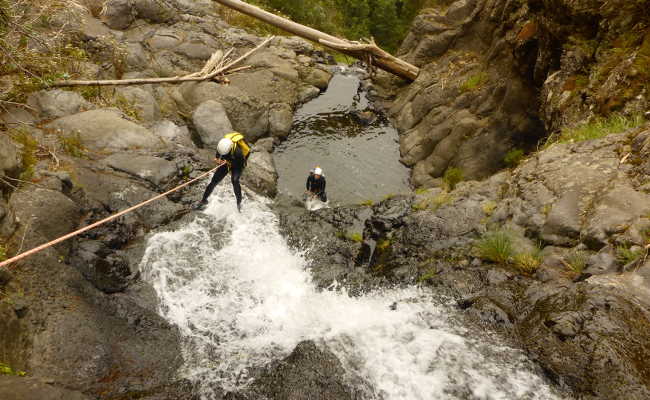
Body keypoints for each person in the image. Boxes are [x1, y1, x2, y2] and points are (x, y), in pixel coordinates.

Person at [196, 132, 251, 212]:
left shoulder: (238, 152)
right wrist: (218, 160)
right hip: (226, 161)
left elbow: (240, 163)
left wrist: (228, 162)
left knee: (235, 181)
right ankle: (203, 200)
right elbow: (218, 155)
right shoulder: (221, 146)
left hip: (237, 163)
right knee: (214, 181)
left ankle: (239, 204)